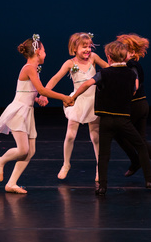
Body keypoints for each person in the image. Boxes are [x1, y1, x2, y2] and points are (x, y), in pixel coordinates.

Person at [70, 41, 151, 195]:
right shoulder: (131, 74)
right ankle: (149, 180)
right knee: (140, 145)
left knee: (104, 154)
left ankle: (103, 186)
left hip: (106, 121)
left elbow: (87, 84)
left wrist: (74, 97)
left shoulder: (103, 73)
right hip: (123, 119)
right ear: (125, 56)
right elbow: (135, 88)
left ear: (108, 57)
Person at [0, 34, 74, 194]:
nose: (46, 54)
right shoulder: (29, 68)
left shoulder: (34, 69)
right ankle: (0, 161)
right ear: (37, 52)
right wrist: (64, 97)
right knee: (23, 150)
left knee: (31, 151)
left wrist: (37, 99)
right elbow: (43, 89)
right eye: (44, 51)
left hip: (27, 111)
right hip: (19, 111)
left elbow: (30, 90)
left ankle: (11, 183)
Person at [39, 32, 109, 181]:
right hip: (77, 100)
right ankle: (66, 164)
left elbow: (109, 69)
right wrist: (44, 93)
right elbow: (56, 77)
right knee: (70, 135)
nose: (87, 50)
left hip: (93, 101)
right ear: (74, 49)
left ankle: (99, 167)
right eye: (84, 47)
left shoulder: (94, 58)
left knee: (95, 136)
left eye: (89, 46)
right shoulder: (70, 63)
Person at [115, 34, 151, 182]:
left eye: (122, 49)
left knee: (117, 131)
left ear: (131, 52)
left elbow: (135, 82)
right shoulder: (133, 64)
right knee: (141, 140)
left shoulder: (131, 65)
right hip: (142, 103)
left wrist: (127, 92)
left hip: (135, 105)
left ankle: (136, 161)